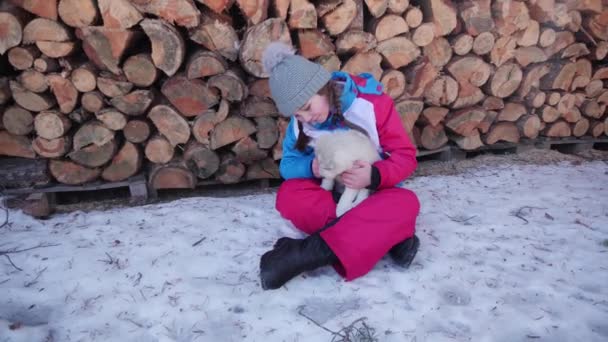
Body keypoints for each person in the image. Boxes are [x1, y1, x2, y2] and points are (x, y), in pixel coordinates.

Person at [259, 42, 421, 290]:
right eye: (297, 115)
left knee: (406, 202)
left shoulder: (372, 105)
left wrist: (374, 175)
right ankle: (388, 238)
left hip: (375, 194)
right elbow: (288, 165)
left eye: (307, 108)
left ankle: (303, 254)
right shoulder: (300, 123)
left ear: (321, 89)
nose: (305, 118)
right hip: (331, 198)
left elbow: (405, 156)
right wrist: (311, 168)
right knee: (289, 196)